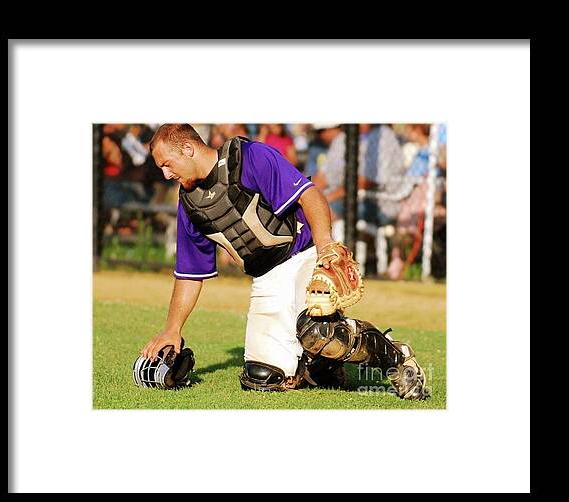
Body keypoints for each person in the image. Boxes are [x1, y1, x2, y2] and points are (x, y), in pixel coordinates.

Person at [138, 124, 428, 398]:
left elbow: (309, 194)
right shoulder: (190, 203)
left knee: (320, 332)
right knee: (263, 378)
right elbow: (190, 273)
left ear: (188, 149)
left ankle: (396, 358)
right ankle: (322, 366)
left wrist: (325, 247)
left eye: (167, 164)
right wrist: (172, 330)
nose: (165, 175)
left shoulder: (248, 157)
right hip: (265, 278)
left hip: (303, 254)